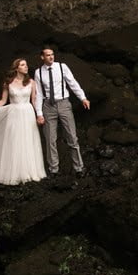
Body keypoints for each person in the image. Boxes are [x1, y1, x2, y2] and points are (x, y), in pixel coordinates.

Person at [35, 45, 91, 176]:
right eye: (48, 55)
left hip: (64, 103)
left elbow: (72, 83)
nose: (51, 57)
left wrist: (83, 98)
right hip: (48, 106)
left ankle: (79, 168)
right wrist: (39, 113)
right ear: (42, 57)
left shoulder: (62, 67)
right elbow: (38, 94)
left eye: (52, 54)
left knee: (72, 136)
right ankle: (54, 169)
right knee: (50, 139)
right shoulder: (38, 72)